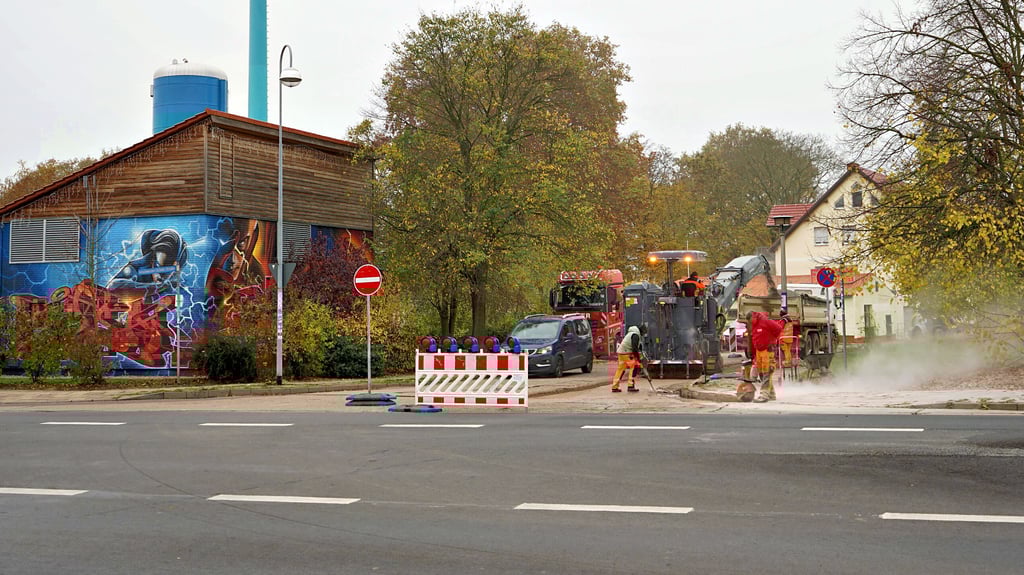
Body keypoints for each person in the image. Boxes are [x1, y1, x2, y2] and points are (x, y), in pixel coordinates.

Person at [748, 310, 787, 402]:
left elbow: (778, 329)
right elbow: (755, 339)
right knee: (763, 374)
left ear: (753, 317)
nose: (750, 323)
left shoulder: (766, 321)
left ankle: (764, 395)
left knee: (767, 372)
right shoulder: (754, 325)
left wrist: (772, 341)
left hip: (768, 351)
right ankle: (771, 394)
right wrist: (754, 358)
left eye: (750, 321)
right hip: (760, 352)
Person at [612, 325, 643, 392]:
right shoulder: (636, 335)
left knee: (620, 369)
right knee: (633, 367)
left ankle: (615, 386)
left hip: (621, 352)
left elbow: (636, 346)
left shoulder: (630, 334)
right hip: (627, 353)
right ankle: (630, 385)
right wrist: (638, 358)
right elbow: (634, 348)